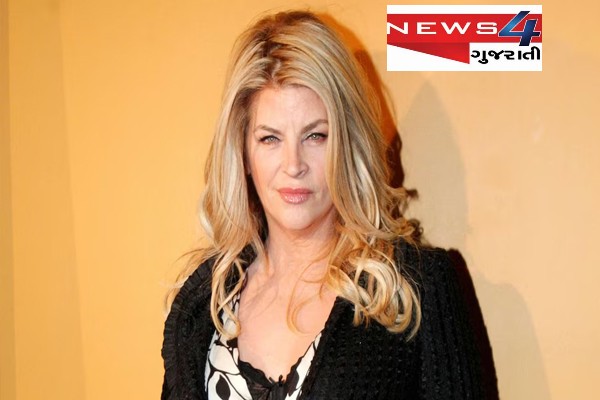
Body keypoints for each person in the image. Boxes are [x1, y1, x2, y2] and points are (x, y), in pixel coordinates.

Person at [162, 10, 484, 400]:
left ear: (347, 144)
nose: (293, 165)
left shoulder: (416, 288)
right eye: (269, 139)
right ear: (243, 153)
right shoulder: (202, 305)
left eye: (315, 136)